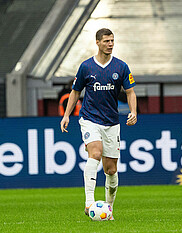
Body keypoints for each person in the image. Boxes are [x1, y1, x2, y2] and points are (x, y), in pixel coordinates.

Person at [60, 28, 137, 220]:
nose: (110, 44)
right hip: (89, 119)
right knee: (94, 153)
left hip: (111, 122)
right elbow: (75, 92)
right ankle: (88, 203)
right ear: (97, 42)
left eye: (112, 40)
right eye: (106, 41)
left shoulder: (121, 67)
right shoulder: (86, 67)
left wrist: (133, 111)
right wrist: (67, 115)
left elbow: (130, 92)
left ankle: (108, 209)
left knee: (110, 169)